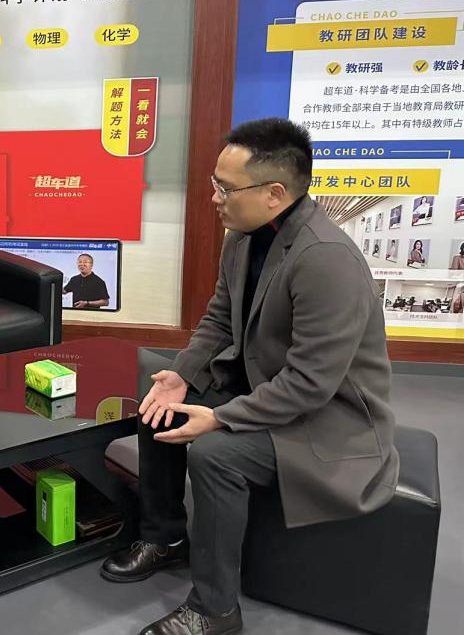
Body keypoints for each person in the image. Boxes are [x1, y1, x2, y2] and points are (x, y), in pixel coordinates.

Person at [100, 118, 398, 635]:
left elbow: (311, 384)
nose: (214, 197)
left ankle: (215, 609)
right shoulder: (243, 237)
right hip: (268, 387)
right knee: (159, 405)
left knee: (216, 454)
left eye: (225, 188)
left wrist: (220, 418)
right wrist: (180, 375)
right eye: (215, 183)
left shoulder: (326, 261)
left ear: (274, 193)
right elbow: (219, 317)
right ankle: (166, 537)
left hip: (329, 419)